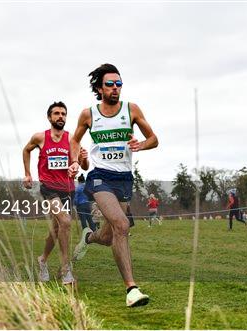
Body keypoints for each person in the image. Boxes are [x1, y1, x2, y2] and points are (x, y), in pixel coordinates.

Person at [69, 63, 158, 307]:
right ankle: (132, 289)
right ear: (99, 88)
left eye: (119, 84)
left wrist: (141, 145)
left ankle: (89, 237)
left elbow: (154, 139)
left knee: (109, 237)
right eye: (110, 84)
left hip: (124, 179)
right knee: (121, 224)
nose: (116, 88)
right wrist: (76, 161)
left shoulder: (132, 110)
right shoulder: (89, 114)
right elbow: (74, 140)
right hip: (99, 176)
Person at [22, 101, 89, 285]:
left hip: (67, 189)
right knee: (66, 221)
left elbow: (83, 166)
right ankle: (66, 269)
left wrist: (83, 160)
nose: (60, 117)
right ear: (49, 117)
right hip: (48, 188)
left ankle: (42, 260)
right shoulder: (40, 138)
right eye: (57, 113)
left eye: (63, 114)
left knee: (57, 228)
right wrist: (28, 173)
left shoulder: (72, 139)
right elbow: (26, 150)